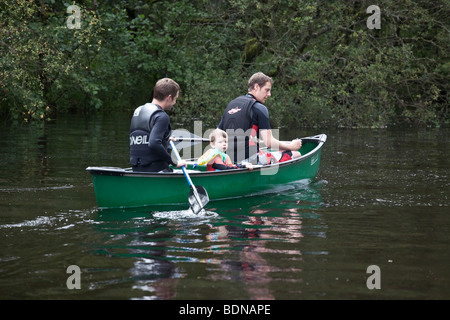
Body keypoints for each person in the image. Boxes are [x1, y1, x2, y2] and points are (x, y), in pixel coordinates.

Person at [218, 72, 302, 164]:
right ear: (256, 87)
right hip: (249, 160)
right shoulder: (259, 108)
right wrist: (291, 146)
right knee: (296, 154)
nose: (269, 94)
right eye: (267, 90)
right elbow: (269, 143)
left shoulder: (231, 105)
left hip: (227, 160)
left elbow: (217, 135)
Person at [130, 78, 187, 172]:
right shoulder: (162, 116)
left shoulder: (138, 111)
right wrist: (175, 162)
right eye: (175, 99)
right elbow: (154, 143)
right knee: (195, 172)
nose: (175, 103)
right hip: (156, 170)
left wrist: (165, 140)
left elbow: (142, 138)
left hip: (137, 169)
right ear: (169, 98)